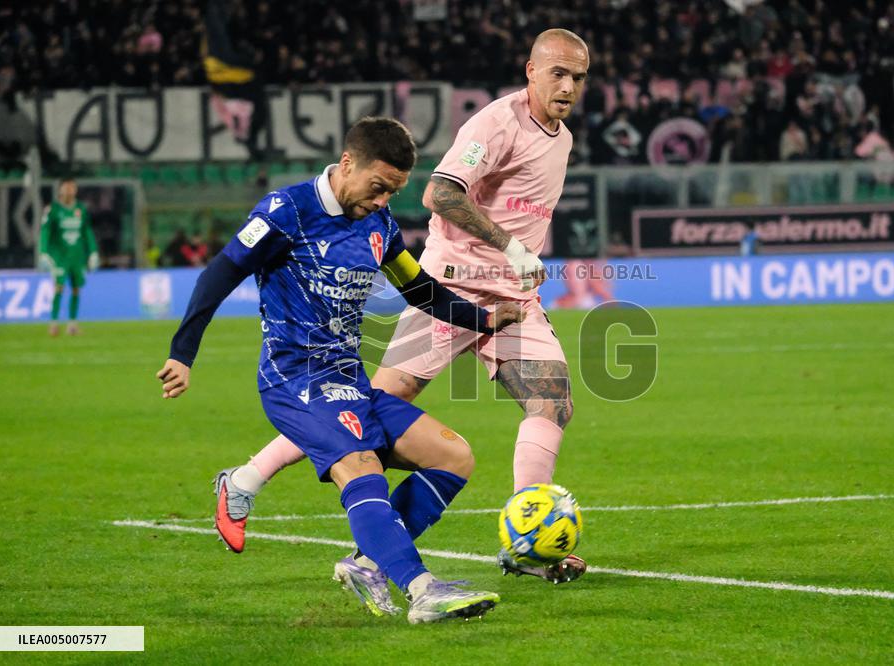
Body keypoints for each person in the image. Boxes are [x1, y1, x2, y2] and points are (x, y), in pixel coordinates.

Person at [214, 29, 592, 594]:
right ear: (530, 70)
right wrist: (511, 247)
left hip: (512, 300)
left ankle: (524, 539)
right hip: (453, 287)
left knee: (551, 400)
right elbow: (440, 193)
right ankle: (246, 478)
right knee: (371, 407)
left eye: (578, 77)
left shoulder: (559, 137)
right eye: (557, 73)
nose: (568, 86)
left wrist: (517, 264)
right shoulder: (496, 123)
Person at [156, 117, 524, 624]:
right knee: (363, 467)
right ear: (347, 164)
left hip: (349, 379)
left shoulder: (380, 224)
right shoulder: (289, 212)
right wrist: (183, 352)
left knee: (453, 456)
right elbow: (222, 271)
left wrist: (483, 319)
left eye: (393, 192)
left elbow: (419, 290)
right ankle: (421, 590)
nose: (382, 201)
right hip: (295, 379)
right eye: (378, 187)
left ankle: (369, 561)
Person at [39, 177, 99, 336]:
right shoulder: (53, 209)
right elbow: (45, 231)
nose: (70, 191)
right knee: (59, 287)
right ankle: (53, 323)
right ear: (60, 190)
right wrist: (43, 252)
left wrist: (93, 251)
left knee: (76, 289)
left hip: (77, 255)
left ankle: (72, 324)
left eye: (73, 188)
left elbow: (87, 231)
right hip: (60, 256)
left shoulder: (80, 208)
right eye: (67, 188)